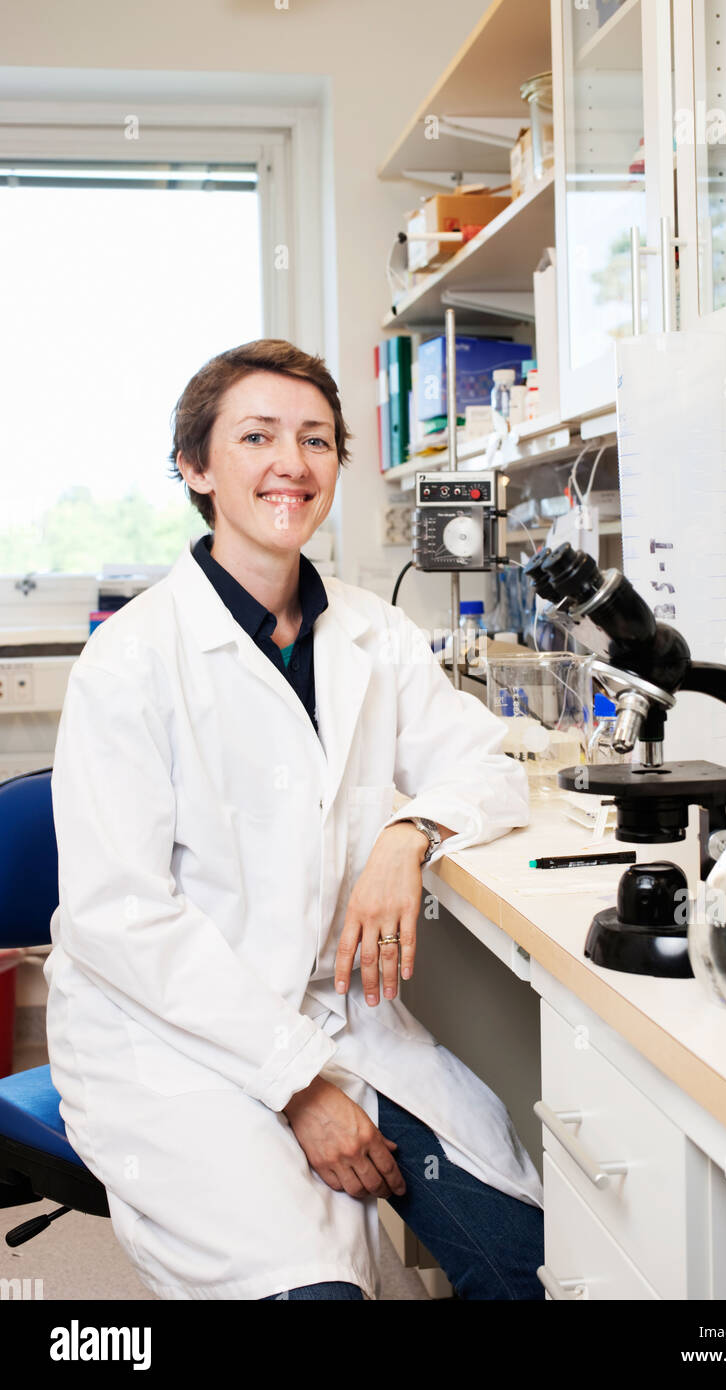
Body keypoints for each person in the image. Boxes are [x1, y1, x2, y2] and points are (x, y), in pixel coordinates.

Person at [45, 339, 544, 1302]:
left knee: (524, 1263)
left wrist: (411, 836)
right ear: (196, 467)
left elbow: (488, 762)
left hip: (337, 1020)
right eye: (258, 436)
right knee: (315, 1293)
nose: (293, 463)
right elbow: (120, 920)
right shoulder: (134, 660)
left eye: (317, 440)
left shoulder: (373, 633)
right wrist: (299, 1088)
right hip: (170, 1042)